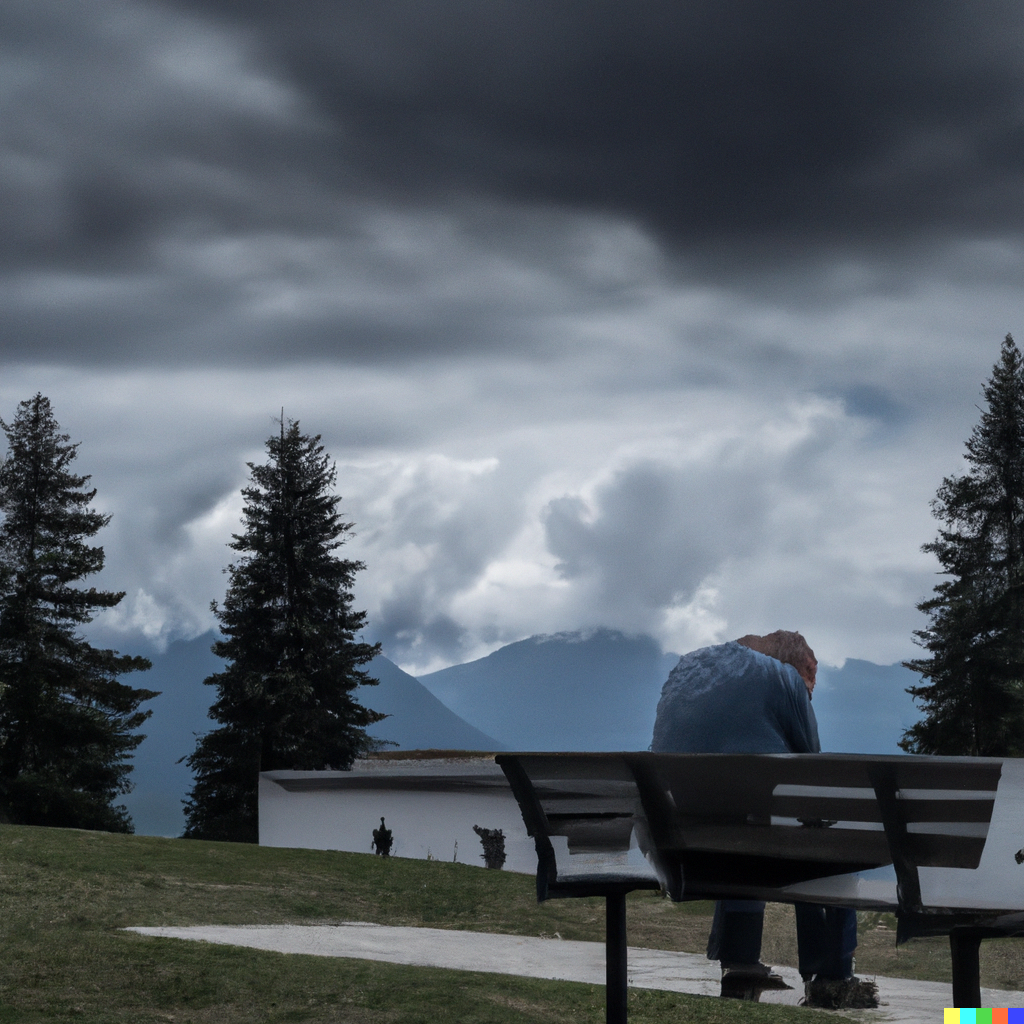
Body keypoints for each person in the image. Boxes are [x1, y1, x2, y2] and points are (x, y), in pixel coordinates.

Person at [651, 631, 878, 1008]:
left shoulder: (688, 671)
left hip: (680, 854)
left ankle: (739, 963)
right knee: (822, 849)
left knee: (743, 831)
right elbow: (812, 777)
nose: (811, 689)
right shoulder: (782, 681)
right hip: (742, 855)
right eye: (810, 675)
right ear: (794, 666)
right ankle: (833, 978)